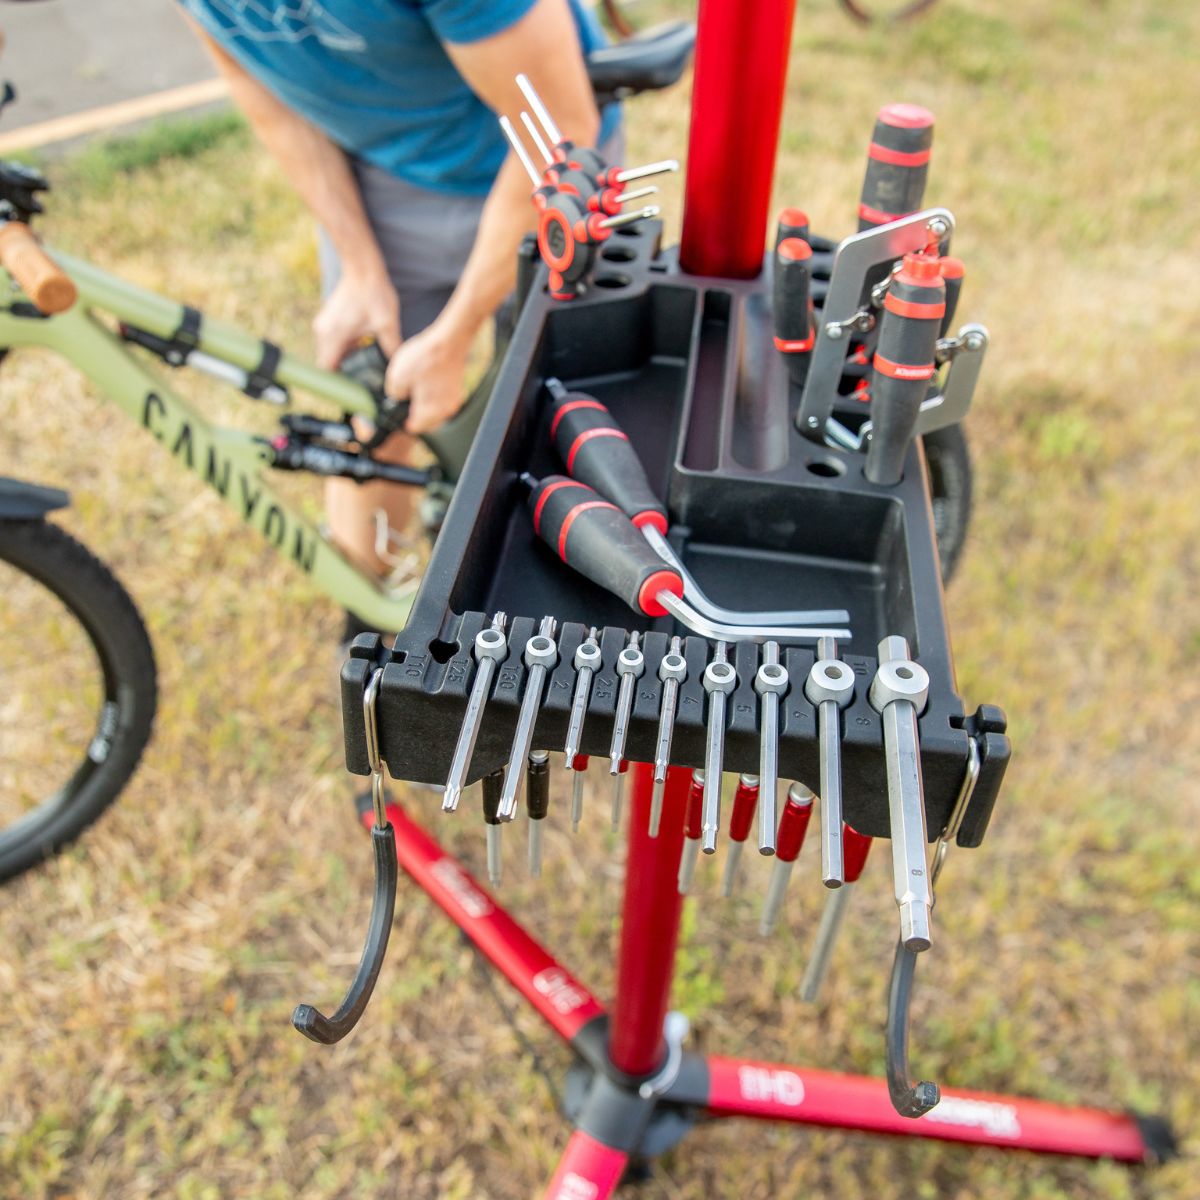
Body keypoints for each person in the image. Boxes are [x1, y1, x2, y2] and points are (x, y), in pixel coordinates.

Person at [176, 0, 620, 609]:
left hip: (546, 170)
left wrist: (453, 334)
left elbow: (563, 126)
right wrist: (360, 266)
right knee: (372, 410)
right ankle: (365, 619)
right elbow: (262, 88)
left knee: (566, 420)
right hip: (387, 175)